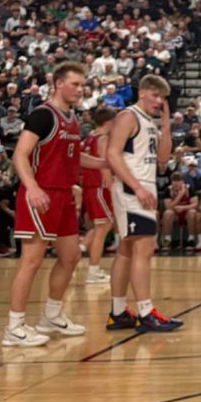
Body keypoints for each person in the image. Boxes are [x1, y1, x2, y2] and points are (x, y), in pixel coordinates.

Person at [2, 61, 94, 348]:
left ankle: (51, 316)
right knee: (31, 261)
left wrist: (108, 162)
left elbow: (74, 157)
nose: (80, 89)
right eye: (75, 84)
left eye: (82, 84)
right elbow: (19, 155)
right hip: (41, 195)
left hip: (64, 195)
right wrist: (32, 187)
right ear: (58, 84)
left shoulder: (73, 118)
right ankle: (14, 327)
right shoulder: (43, 116)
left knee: (70, 257)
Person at [106, 75, 182, 333]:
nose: (160, 102)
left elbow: (163, 159)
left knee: (126, 251)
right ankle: (145, 311)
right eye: (156, 96)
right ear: (142, 93)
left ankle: (118, 313)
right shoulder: (128, 116)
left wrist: (166, 124)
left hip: (142, 188)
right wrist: (137, 187)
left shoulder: (149, 121)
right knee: (144, 249)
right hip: (132, 189)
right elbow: (112, 154)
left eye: (163, 98)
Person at [79, 105, 115, 284]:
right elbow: (105, 165)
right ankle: (93, 270)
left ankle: (81, 249)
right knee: (103, 227)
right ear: (109, 122)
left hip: (89, 186)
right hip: (99, 186)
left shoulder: (89, 136)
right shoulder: (103, 138)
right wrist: (111, 186)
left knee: (100, 226)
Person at [160, 172, 201, 251]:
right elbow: (168, 207)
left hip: (186, 213)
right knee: (168, 213)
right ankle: (167, 240)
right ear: (171, 182)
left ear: (183, 182)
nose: (176, 183)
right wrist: (179, 196)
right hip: (174, 214)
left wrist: (183, 207)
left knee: (192, 212)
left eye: (178, 180)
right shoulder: (168, 190)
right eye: (174, 181)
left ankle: (191, 239)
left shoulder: (189, 189)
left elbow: (195, 204)